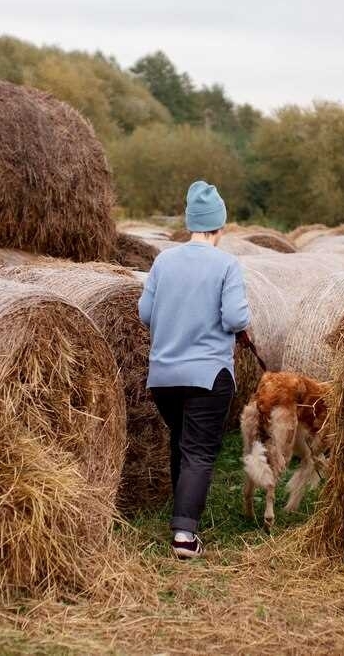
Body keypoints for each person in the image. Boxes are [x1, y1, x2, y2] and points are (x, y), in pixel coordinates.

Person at [138, 180, 251, 559]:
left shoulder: (163, 260)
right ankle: (185, 535)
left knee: (182, 442)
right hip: (208, 375)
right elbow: (235, 317)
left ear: (190, 223)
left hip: (164, 377)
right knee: (200, 451)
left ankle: (180, 512)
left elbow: (145, 314)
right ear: (220, 225)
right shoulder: (226, 264)